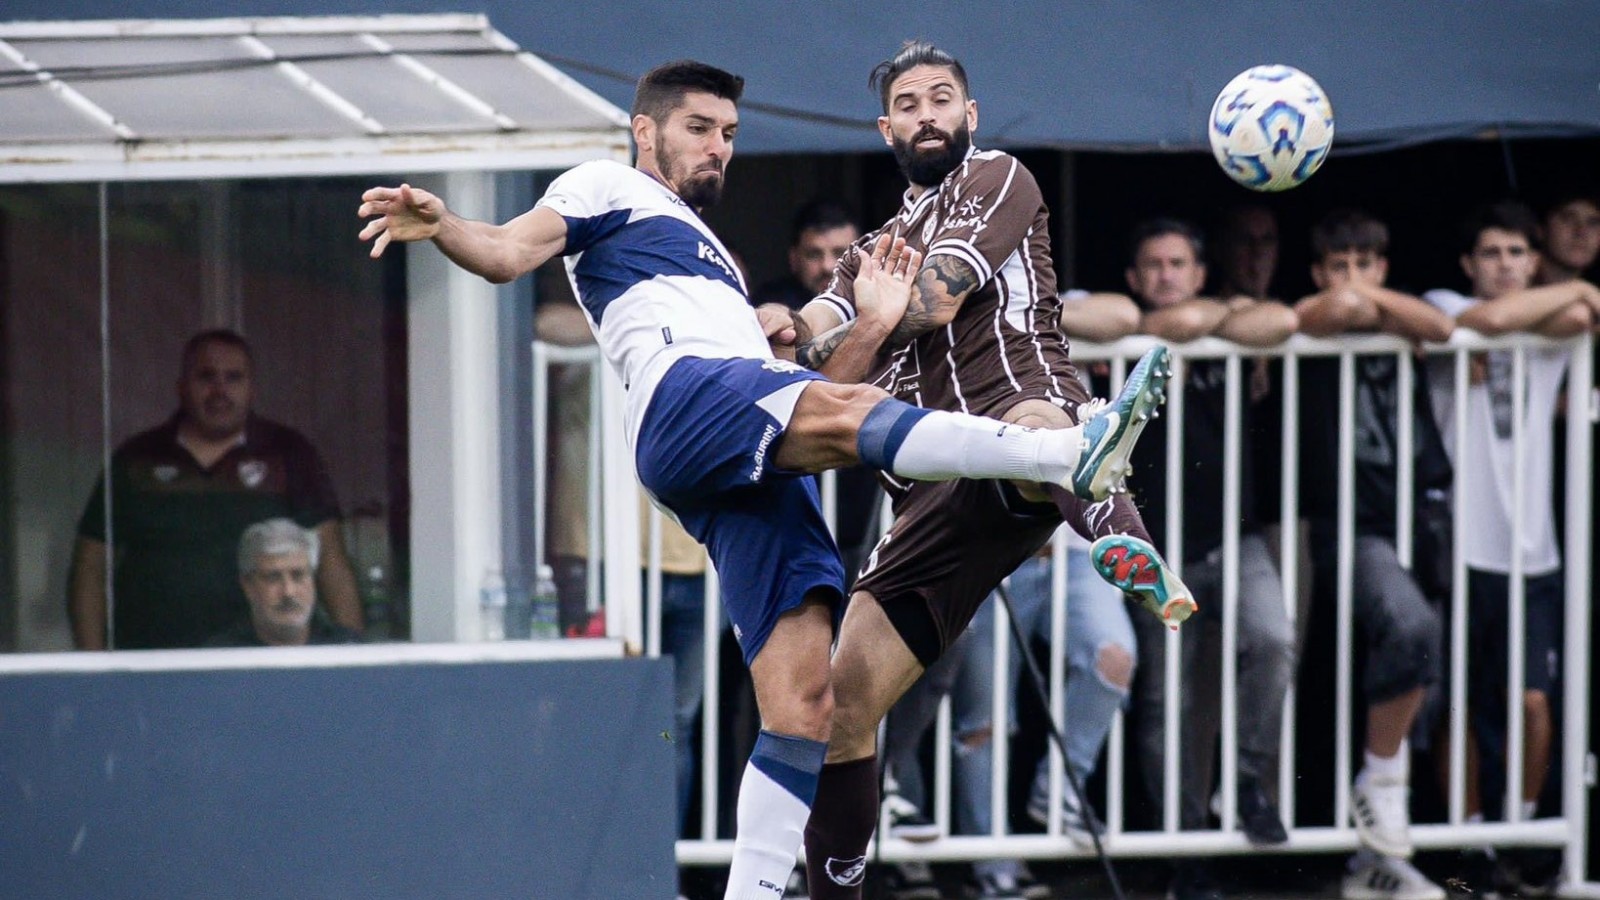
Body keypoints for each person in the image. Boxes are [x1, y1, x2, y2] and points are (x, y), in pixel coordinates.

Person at [358, 59, 1169, 900]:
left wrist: (869, 322)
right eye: (699, 130)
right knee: (848, 417)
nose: (719, 149)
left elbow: (835, 388)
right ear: (647, 132)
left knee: (808, 707)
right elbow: (504, 253)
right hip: (686, 400)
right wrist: (448, 222)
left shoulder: (723, 262)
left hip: (740, 455)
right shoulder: (602, 183)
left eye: (731, 136)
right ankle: (1060, 456)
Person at [757, 43, 1193, 900]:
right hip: (929, 495)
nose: (928, 115)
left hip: (1015, 409)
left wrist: (868, 326)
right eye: (910, 104)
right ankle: (832, 893)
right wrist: (770, 325)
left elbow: (938, 298)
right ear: (887, 129)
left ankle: (1116, 524)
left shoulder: (999, 178)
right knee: (837, 713)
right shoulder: (873, 249)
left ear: (971, 114)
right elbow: (815, 338)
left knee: (1033, 435)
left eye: (942, 99)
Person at [875, 291, 1146, 900]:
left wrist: (1024, 315)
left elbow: (1123, 317)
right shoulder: (940, 328)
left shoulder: (1039, 303)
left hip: (1069, 549)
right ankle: (996, 870)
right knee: (985, 719)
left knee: (1113, 657)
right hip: (988, 541)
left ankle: (1061, 790)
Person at [1423, 200, 1600, 898]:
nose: (1505, 266)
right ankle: (1475, 843)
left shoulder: (1558, 320)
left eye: (1518, 254)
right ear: (1469, 263)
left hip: (1536, 551)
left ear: (1535, 262)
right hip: (1462, 544)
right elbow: (1487, 321)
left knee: (1532, 703)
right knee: (1462, 704)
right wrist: (1583, 287)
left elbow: (1580, 321)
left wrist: (1577, 300)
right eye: (1492, 254)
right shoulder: (1444, 303)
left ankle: (1524, 836)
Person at [1122, 217, 1299, 900]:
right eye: (1153, 265)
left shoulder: (1228, 325)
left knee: (1275, 640)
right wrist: (1197, 321)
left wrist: (1219, 316)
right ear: (1136, 278)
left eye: (1178, 264)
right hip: (1154, 549)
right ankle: (1182, 846)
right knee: (1167, 700)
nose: (1166, 275)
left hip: (1234, 536)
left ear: (1200, 274)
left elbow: (1279, 322)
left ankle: (1249, 784)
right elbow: (1098, 314)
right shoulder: (1127, 333)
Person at [1293, 209, 1453, 900]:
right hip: (1354, 525)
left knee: (1426, 681)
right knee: (1411, 629)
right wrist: (1362, 304)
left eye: (1367, 263)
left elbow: (1442, 326)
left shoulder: (1404, 321)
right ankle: (1376, 787)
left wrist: (1378, 305)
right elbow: (1317, 315)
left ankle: (1376, 864)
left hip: (1423, 520)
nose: (1354, 281)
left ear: (1385, 268)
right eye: (1340, 265)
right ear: (1321, 272)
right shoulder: (1320, 320)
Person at [67, 329, 362, 650]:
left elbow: (330, 559)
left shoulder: (288, 453)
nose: (220, 390)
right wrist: (92, 666)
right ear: (181, 387)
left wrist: (351, 661)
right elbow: (90, 567)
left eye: (233, 378)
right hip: (152, 663)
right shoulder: (136, 458)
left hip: (256, 665)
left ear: (252, 390)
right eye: (206, 377)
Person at [207, 518, 363, 646]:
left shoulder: (347, 651)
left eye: (298, 575)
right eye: (273, 577)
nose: (288, 592)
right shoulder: (219, 657)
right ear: (248, 586)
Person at [754, 200, 862, 311]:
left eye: (841, 254)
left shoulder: (877, 302)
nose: (827, 266)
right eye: (814, 255)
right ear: (794, 259)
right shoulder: (770, 307)